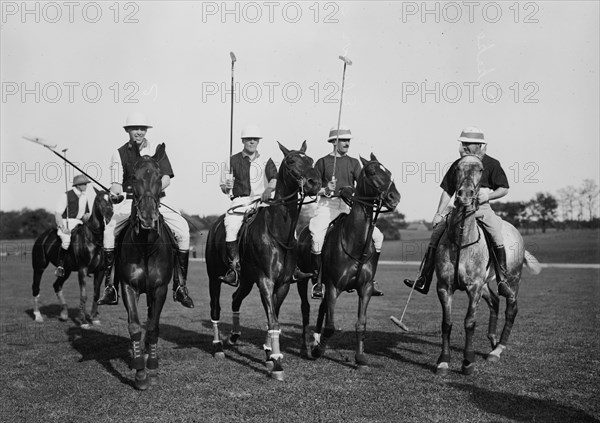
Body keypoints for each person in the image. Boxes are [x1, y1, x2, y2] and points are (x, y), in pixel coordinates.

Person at [404, 126, 516, 301]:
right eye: (462, 143)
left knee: (496, 234)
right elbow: (447, 191)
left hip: (482, 210)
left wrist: (489, 195)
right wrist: (439, 214)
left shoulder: (492, 164)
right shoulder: (457, 164)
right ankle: (424, 279)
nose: (463, 147)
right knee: (436, 236)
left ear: (479, 146)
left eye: (467, 144)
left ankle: (502, 281)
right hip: (458, 211)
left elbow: (504, 189)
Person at [97, 112, 194, 308]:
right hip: (129, 201)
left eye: (142, 128)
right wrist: (115, 194)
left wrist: (152, 192)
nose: (139, 132)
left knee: (183, 230)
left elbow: (166, 178)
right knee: (109, 232)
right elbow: (116, 184)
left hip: (157, 200)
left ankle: (180, 286)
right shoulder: (119, 153)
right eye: (135, 129)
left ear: (146, 130)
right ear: (127, 131)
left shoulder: (157, 151)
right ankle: (110, 287)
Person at [308, 125, 385, 299]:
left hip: (349, 206)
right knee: (317, 238)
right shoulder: (322, 162)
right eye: (343, 140)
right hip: (328, 206)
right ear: (334, 142)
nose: (346, 143)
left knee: (378, 237)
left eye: (348, 140)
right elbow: (312, 188)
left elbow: (363, 184)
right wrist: (325, 188)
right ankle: (318, 282)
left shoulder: (354, 162)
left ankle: (370, 280)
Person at [218, 124, 278, 286]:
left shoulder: (266, 160)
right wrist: (227, 185)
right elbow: (223, 188)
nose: (252, 142)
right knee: (230, 226)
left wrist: (270, 189)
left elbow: (273, 178)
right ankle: (234, 269)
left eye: (255, 139)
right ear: (243, 140)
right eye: (249, 139)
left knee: (286, 224)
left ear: (258, 142)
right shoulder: (231, 161)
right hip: (240, 201)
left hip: (262, 201)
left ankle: (294, 266)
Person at [53, 174, 93, 277]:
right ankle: (60, 266)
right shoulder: (66, 195)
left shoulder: (85, 197)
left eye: (86, 184)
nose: (86, 186)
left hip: (79, 223)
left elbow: (85, 215)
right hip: (67, 223)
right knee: (66, 241)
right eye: (84, 184)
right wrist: (63, 228)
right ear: (78, 185)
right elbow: (58, 213)